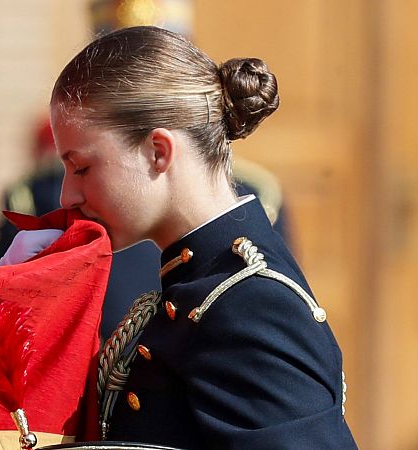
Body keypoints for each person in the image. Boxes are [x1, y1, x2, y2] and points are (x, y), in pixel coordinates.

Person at [50, 26, 356, 448]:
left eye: (81, 167)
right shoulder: (197, 285)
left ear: (158, 151)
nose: (68, 195)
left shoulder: (251, 306)